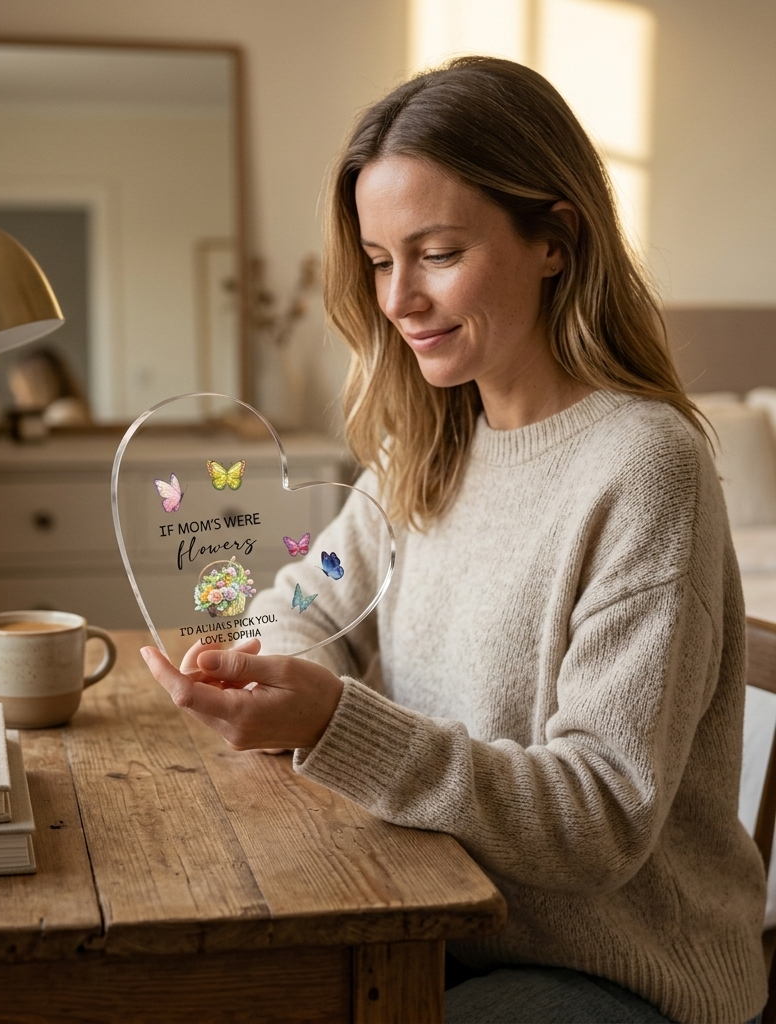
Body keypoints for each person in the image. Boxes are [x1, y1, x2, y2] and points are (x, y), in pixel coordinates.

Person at [142, 57, 767, 1023]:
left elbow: (602, 815)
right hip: (438, 920)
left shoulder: (643, 469)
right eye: (381, 261)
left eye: (435, 254)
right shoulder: (425, 447)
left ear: (555, 240)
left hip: (615, 972)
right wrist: (279, 673)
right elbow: (300, 604)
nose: (397, 302)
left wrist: (331, 724)